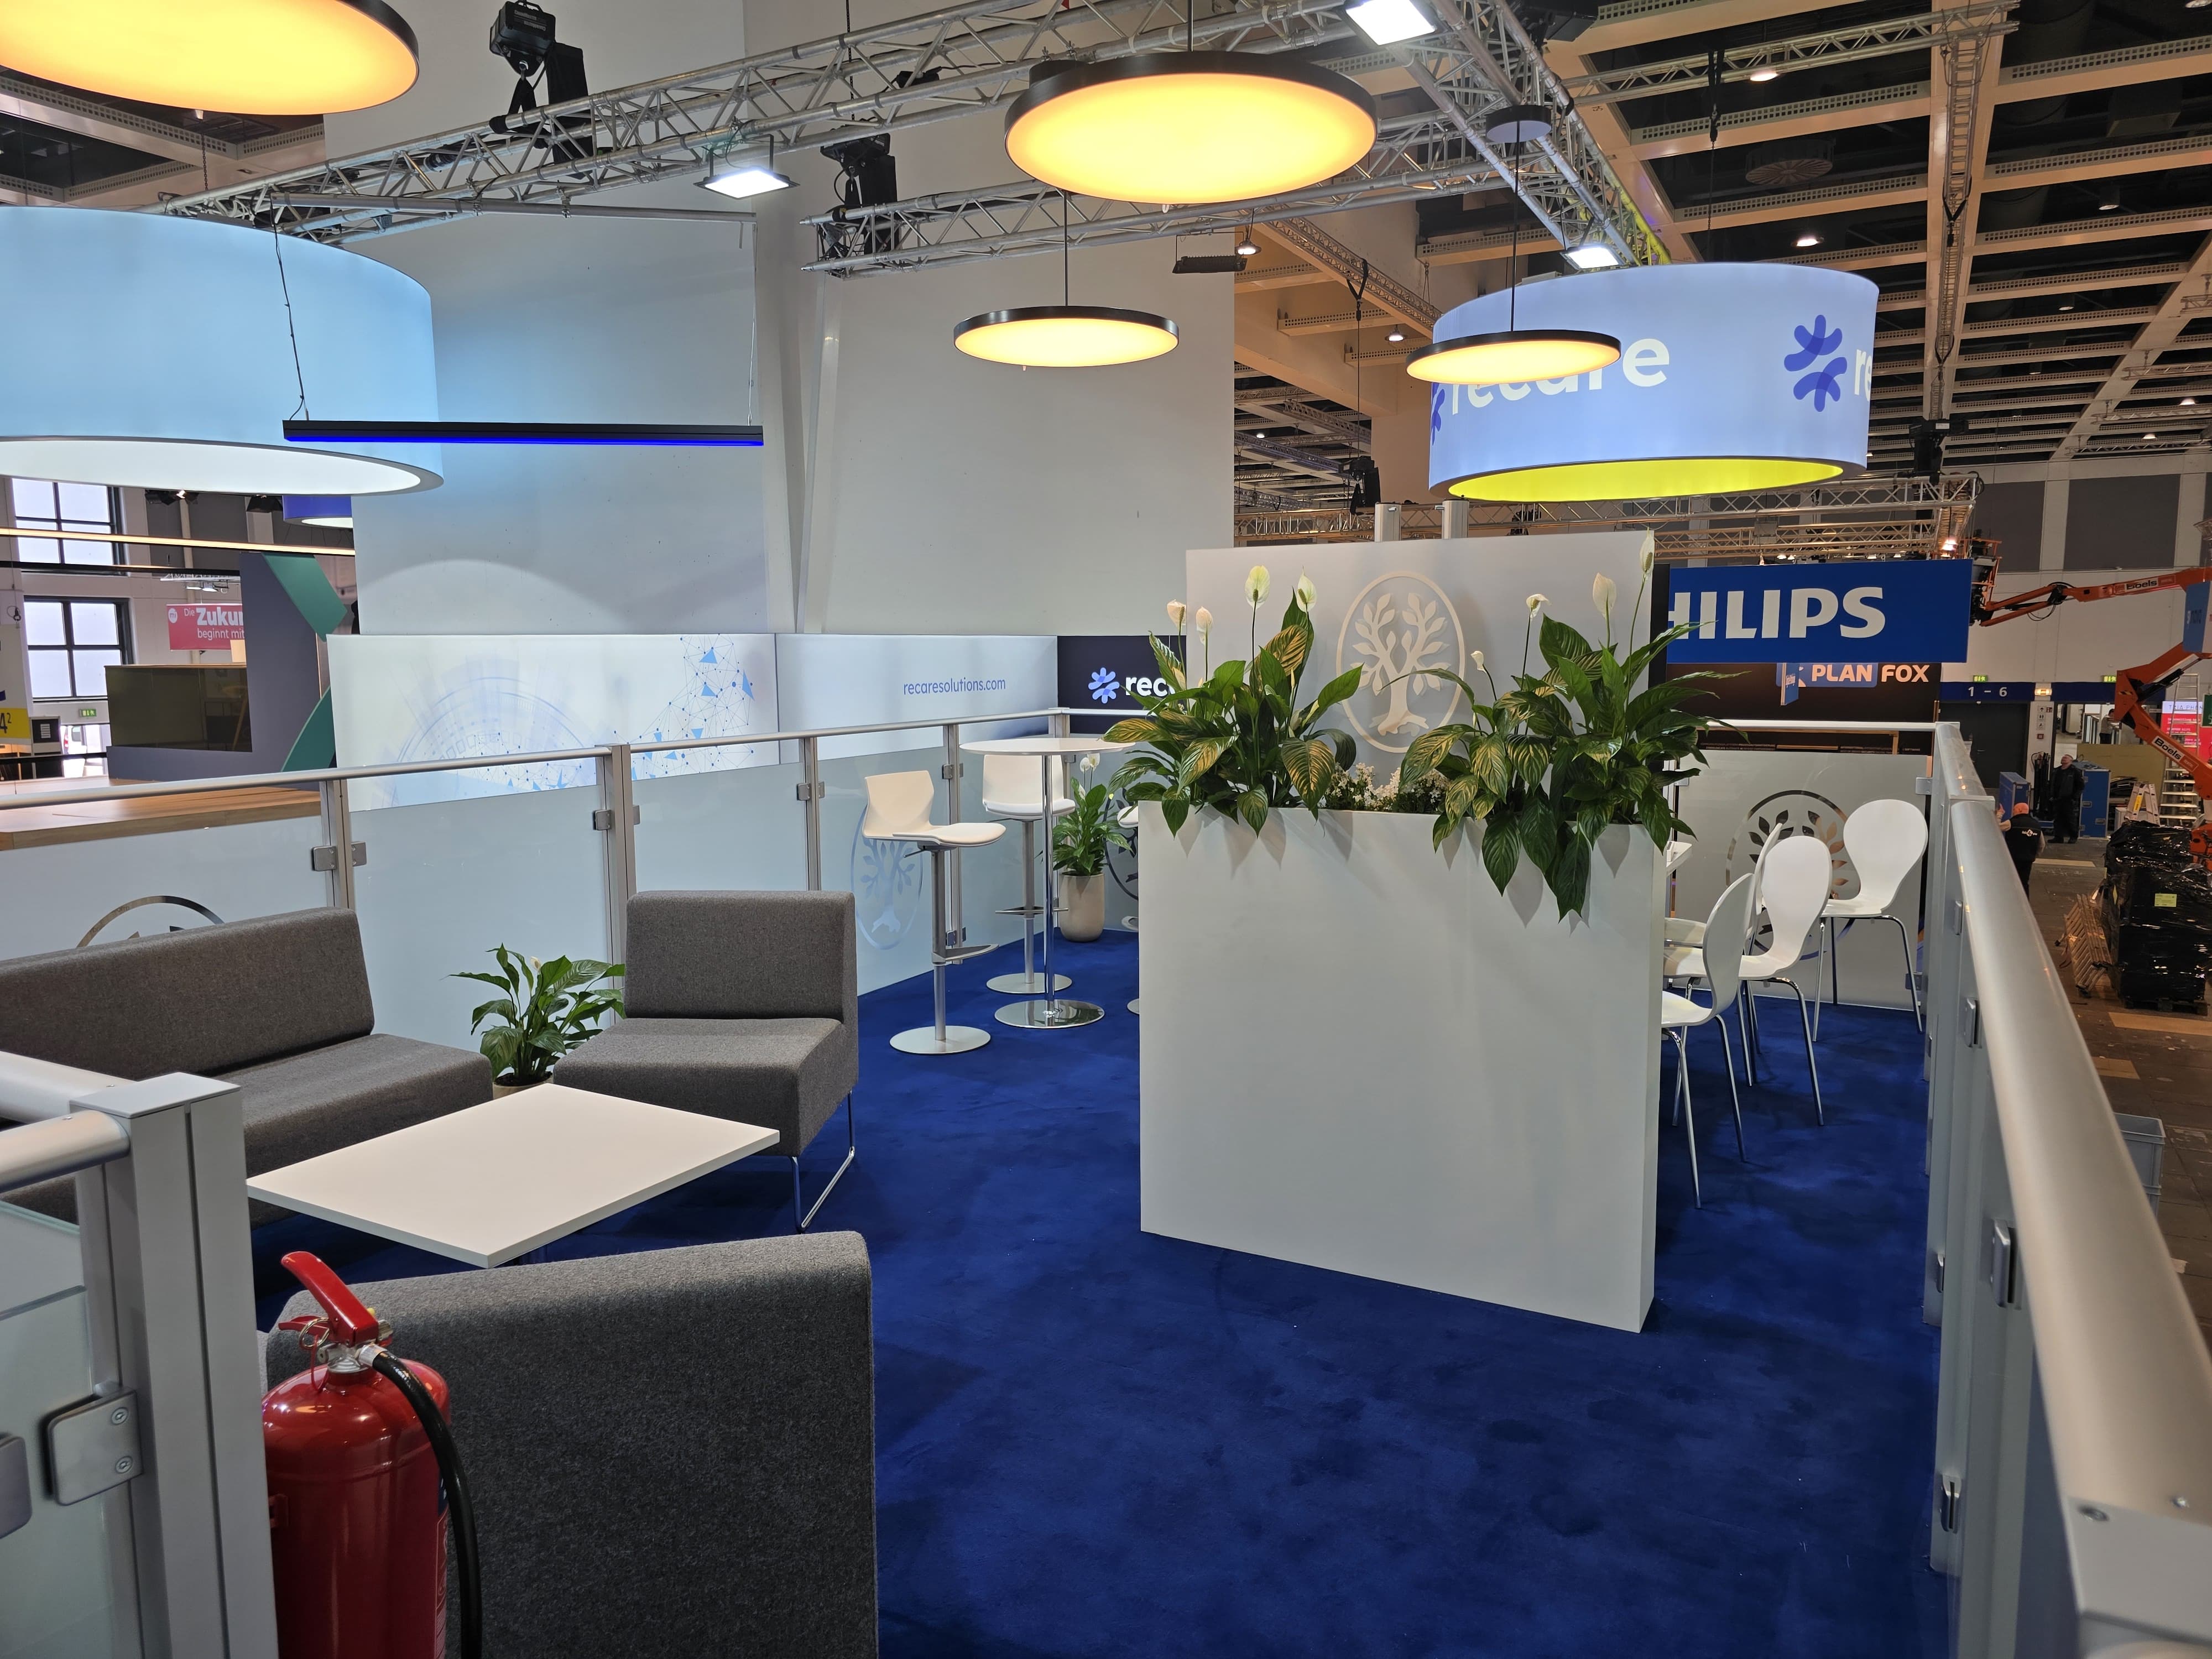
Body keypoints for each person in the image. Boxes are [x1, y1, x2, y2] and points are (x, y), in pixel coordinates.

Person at [2003, 801, 2043, 892]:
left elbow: (1996, 827)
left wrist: (1999, 815)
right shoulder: (2036, 825)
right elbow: (2042, 845)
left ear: (2019, 810)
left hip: (2013, 858)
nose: (2013, 812)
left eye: (2014, 810)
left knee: (2011, 880)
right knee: (2024, 882)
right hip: (2028, 859)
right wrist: (2035, 855)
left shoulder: (2013, 822)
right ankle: (2024, 899)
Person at [2051, 753, 2085, 843]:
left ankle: (2073, 837)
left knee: (2071, 819)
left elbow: (2081, 786)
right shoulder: (2056, 771)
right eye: (2063, 758)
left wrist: (2075, 798)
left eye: (2066, 758)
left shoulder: (2075, 771)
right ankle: (2058, 837)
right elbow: (2052, 784)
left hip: (2069, 800)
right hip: (2057, 799)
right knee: (2058, 820)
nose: (2063, 759)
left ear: (2071, 761)